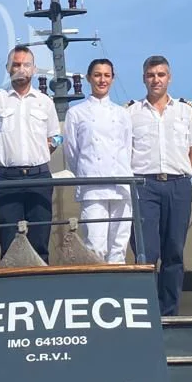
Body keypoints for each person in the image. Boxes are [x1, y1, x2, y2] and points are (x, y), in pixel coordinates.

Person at [128, 55, 192, 315]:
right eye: (151, 75)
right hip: (144, 186)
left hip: (178, 186)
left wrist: (181, 175)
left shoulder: (186, 111)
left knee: (174, 251)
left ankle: (169, 311)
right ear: (143, 78)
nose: (156, 80)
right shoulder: (131, 113)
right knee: (145, 252)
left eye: (161, 75)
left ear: (169, 78)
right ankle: (146, 310)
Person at [0, 45, 60, 262]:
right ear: (8, 68)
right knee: (9, 240)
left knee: (40, 239)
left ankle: (40, 287)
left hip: (39, 176)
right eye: (16, 64)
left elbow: (57, 137)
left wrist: (42, 151)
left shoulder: (45, 102)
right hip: (7, 178)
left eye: (26, 64)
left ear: (34, 69)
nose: (21, 69)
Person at [63, 58, 133, 263]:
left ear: (112, 78)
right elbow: (71, 152)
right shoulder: (75, 113)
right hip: (91, 186)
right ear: (88, 78)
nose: (102, 80)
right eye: (97, 75)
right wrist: (88, 171)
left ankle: (118, 290)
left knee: (119, 247)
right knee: (95, 244)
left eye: (106, 75)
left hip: (121, 185)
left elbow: (126, 147)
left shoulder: (122, 113)